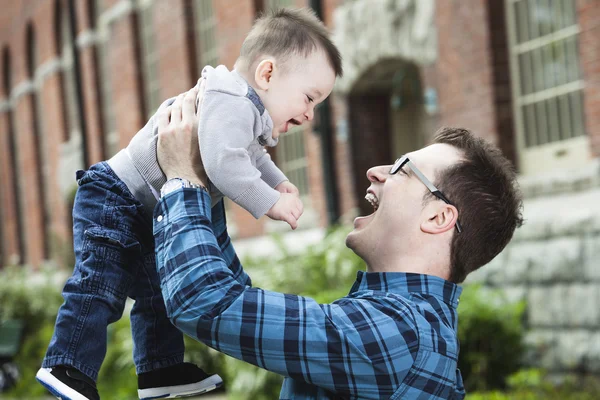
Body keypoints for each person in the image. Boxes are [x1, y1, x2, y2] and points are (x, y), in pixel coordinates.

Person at [37, 7, 340, 400]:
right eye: (309, 98)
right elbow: (223, 163)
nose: (310, 114)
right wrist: (270, 204)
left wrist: (280, 183)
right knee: (100, 283)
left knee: (160, 294)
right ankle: (66, 364)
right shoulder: (229, 100)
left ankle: (160, 371)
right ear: (267, 74)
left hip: (147, 209)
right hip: (115, 197)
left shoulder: (247, 112)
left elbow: (254, 158)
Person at [152, 87, 524, 399]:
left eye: (401, 170)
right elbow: (232, 300)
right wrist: (215, 174)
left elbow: (204, 301)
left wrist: (183, 181)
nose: (375, 171)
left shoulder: (402, 334)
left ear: (438, 217)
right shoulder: (399, 321)